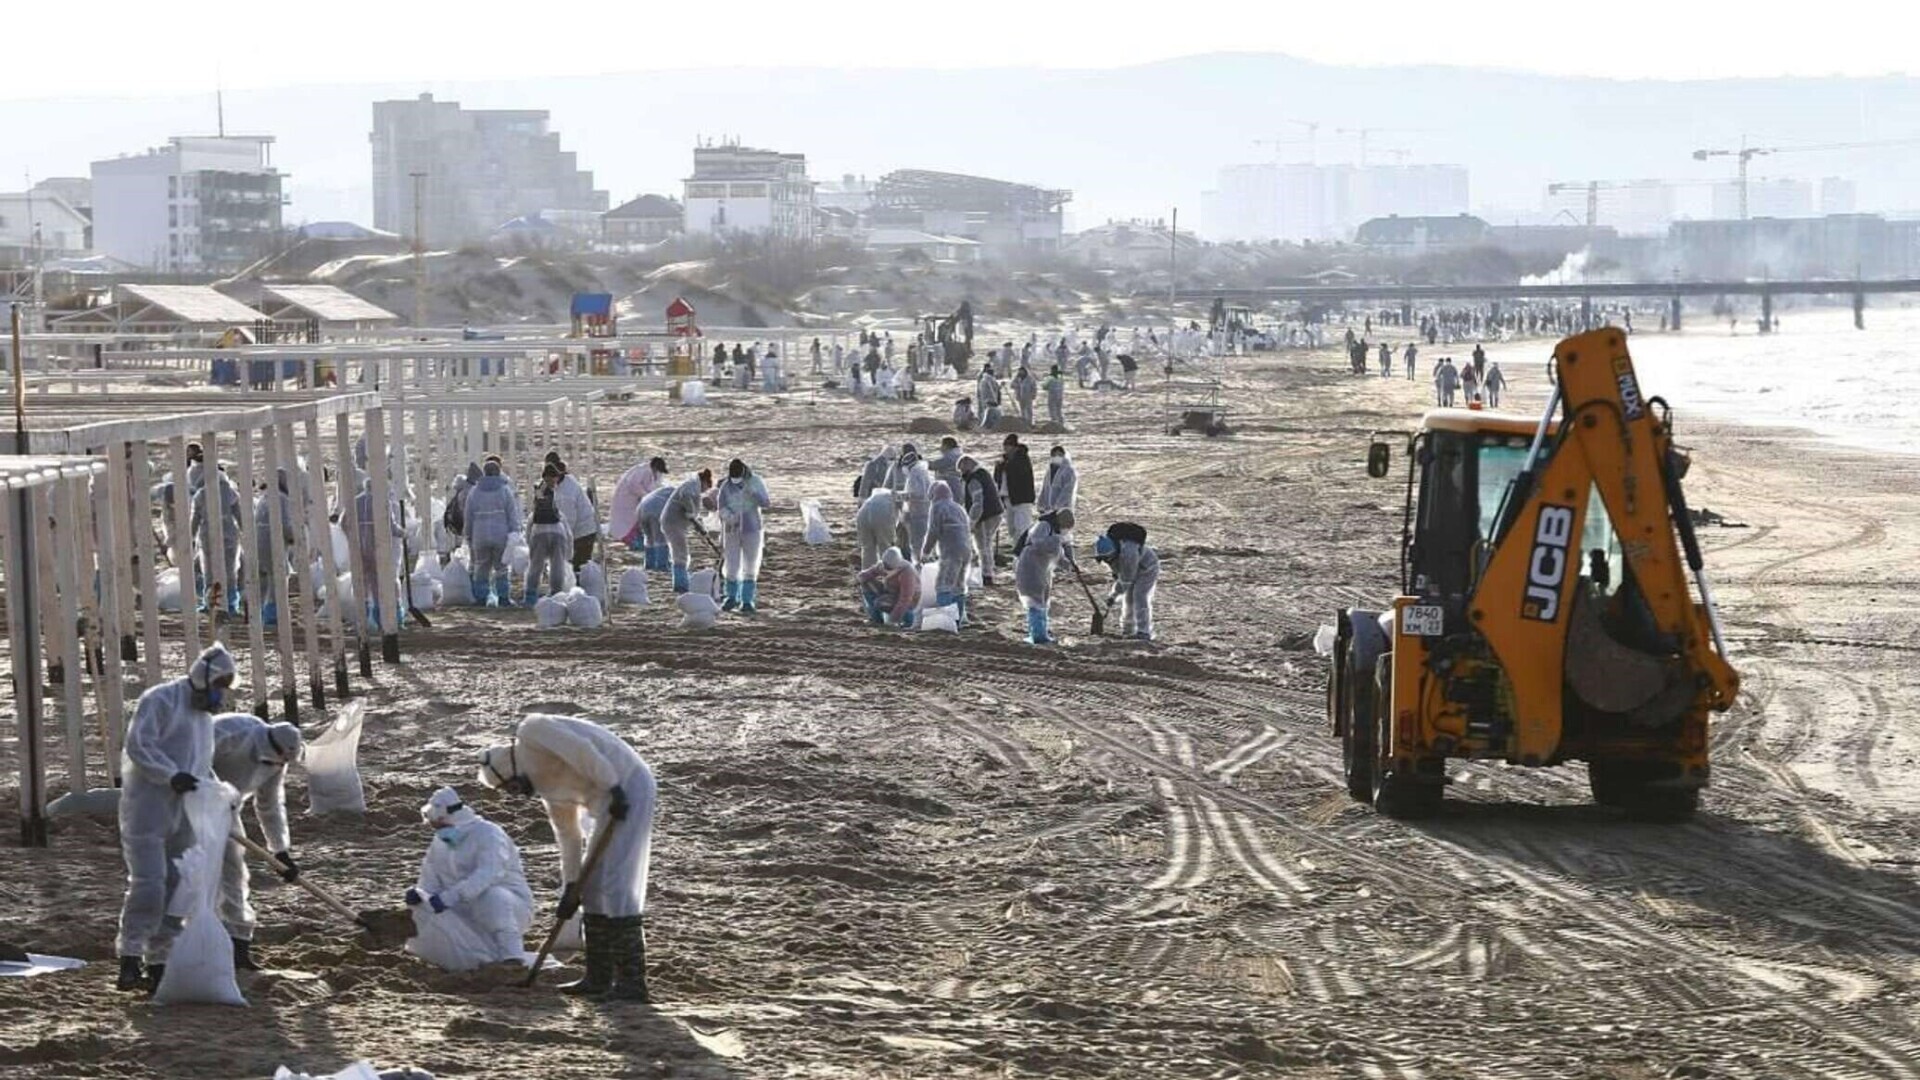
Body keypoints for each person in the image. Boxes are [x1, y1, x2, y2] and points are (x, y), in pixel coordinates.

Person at [477, 715, 656, 1001]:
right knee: (592, 889)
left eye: (511, 786)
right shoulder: (550, 792)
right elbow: (569, 838)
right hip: (609, 802)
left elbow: (582, 750)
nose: (517, 794)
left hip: (627, 787)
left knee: (615, 883)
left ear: (511, 767)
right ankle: (598, 978)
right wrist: (573, 888)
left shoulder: (533, 730)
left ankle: (632, 984)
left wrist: (613, 787)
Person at [116, 643, 233, 992]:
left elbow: (200, 764)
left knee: (176, 886)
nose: (219, 695)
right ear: (203, 677)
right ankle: (131, 955)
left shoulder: (203, 720)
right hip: (148, 808)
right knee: (149, 883)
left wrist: (217, 793)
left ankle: (160, 960)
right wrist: (169, 775)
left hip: (186, 813)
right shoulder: (160, 700)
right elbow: (139, 745)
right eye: (218, 685)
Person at [210, 712, 304, 972]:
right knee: (194, 876)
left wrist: (280, 851)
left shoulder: (278, 763)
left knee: (234, 875)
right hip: (185, 803)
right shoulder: (231, 732)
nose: (278, 765)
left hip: (227, 812)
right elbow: (192, 761)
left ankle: (238, 947)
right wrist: (212, 794)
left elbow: (269, 805)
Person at [404, 786, 535, 969]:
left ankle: (511, 957)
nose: (439, 832)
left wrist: (451, 897)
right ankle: (464, 959)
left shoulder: (489, 834)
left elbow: (488, 874)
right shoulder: (440, 843)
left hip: (509, 908)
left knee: (493, 897)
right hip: (462, 908)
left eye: (442, 826)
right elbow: (430, 878)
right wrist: (421, 895)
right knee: (420, 909)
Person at [715, 458, 770, 614]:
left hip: (752, 529)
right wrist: (729, 517)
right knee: (731, 563)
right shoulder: (726, 486)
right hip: (731, 529)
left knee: (750, 563)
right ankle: (731, 596)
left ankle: (746, 600)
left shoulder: (755, 481)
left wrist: (755, 494)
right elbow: (721, 507)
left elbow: (766, 502)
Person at [464, 460, 521, 606]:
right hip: (500, 534)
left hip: (480, 535)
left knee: (481, 567)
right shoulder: (504, 490)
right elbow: (512, 513)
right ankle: (503, 598)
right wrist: (514, 531)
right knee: (501, 567)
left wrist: (468, 535)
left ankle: (481, 598)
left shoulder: (475, 491)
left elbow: (468, 516)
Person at [1014, 509, 1075, 645]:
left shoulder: (1054, 532)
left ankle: (1042, 632)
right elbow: (1039, 543)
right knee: (1034, 599)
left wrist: (1069, 565)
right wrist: (1057, 540)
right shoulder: (1044, 526)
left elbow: (1058, 555)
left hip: (1043, 569)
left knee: (1043, 599)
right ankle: (1037, 634)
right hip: (1030, 566)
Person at [190, 462, 243, 616]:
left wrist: (191, 538)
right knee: (230, 570)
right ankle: (231, 603)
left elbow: (194, 521)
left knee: (209, 570)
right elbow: (240, 518)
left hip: (207, 537)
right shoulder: (231, 493)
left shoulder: (200, 494)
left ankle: (210, 603)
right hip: (229, 538)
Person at [251, 467, 299, 627]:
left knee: (263, 579)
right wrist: (294, 538)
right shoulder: (282, 499)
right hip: (274, 541)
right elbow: (285, 523)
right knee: (277, 578)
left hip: (258, 541)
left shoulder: (264, 497)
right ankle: (273, 614)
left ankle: (258, 613)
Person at [922, 481, 973, 626]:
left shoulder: (938, 507)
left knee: (943, 585)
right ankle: (957, 619)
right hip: (966, 550)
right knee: (959, 586)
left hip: (951, 551)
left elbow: (933, 531)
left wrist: (925, 552)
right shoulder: (959, 508)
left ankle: (945, 620)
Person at [1097, 528, 1160, 641]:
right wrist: (1114, 594)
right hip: (1133, 569)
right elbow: (1121, 577)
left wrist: (1113, 596)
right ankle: (1128, 629)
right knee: (1128, 599)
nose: (1106, 562)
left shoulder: (1128, 553)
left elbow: (1125, 580)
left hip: (1147, 568)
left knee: (1139, 596)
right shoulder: (1114, 552)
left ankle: (1144, 631)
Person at [524, 464, 574, 604]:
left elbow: (530, 525)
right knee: (557, 565)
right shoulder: (559, 494)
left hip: (539, 532)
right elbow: (568, 531)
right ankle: (556, 593)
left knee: (536, 566)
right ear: (555, 477)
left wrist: (529, 545)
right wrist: (569, 553)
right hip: (558, 532)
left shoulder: (538, 491)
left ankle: (530, 595)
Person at [661, 469, 714, 595]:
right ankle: (681, 584)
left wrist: (701, 528)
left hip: (676, 523)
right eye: (706, 487)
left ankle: (682, 580)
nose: (705, 491)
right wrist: (690, 512)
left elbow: (693, 515)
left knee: (680, 552)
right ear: (704, 482)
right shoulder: (691, 486)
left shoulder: (693, 487)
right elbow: (686, 498)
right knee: (680, 553)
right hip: (672, 523)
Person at [545, 454, 599, 573]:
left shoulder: (565, 494)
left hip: (583, 533)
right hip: (584, 529)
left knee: (577, 569)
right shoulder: (567, 480)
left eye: (549, 480)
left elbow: (568, 523)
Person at [960, 456, 1003, 588]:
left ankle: (987, 576)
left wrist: (972, 522)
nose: (961, 473)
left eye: (961, 470)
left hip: (986, 516)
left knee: (982, 546)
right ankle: (988, 572)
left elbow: (978, 504)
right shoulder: (983, 473)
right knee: (986, 545)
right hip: (995, 513)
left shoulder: (974, 480)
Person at [608, 457, 668, 550]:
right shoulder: (642, 471)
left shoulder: (652, 473)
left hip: (637, 502)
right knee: (627, 523)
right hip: (627, 501)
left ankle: (639, 541)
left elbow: (654, 486)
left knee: (638, 522)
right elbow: (633, 485)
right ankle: (633, 542)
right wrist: (647, 495)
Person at [857, 546, 920, 628]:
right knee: (866, 583)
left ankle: (908, 622)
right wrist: (861, 577)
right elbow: (868, 573)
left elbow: (906, 598)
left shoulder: (907, 572)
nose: (886, 570)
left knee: (881, 603)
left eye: (889, 568)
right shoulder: (882, 565)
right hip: (891, 592)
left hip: (909, 600)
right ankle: (876, 619)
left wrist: (893, 620)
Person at [995, 434, 1037, 548]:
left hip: (1021, 499)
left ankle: (1026, 550)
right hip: (1007, 499)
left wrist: (1004, 465)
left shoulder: (1022, 459)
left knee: (1022, 528)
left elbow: (1018, 472)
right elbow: (997, 479)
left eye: (1008, 446)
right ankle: (1017, 550)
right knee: (1012, 529)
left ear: (1014, 447)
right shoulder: (1003, 461)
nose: (1006, 449)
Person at [855, 487, 906, 573]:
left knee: (867, 549)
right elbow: (906, 519)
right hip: (882, 513)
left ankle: (867, 577)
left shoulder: (882, 494)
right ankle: (888, 576)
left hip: (862, 513)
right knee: (886, 548)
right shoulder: (903, 498)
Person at [896, 445, 935, 558]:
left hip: (918, 513)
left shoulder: (914, 474)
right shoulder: (923, 472)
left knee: (917, 545)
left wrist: (899, 496)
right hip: (924, 512)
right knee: (923, 542)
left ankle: (919, 568)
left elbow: (917, 494)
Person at [636, 483, 674, 574]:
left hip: (641, 508)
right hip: (656, 510)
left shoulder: (666, 490)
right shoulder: (680, 496)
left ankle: (649, 564)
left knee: (649, 538)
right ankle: (662, 565)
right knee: (660, 538)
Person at [1038, 445, 1079, 519]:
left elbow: (1067, 491)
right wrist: (1041, 504)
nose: (1057, 457)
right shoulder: (1050, 470)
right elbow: (1045, 489)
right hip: (1048, 510)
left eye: (1059, 455)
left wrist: (1057, 506)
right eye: (1054, 455)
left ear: (1064, 456)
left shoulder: (1068, 471)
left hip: (1062, 510)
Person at [931, 437, 965, 501]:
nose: (940, 448)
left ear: (946, 446)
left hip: (951, 488)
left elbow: (934, 465)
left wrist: (920, 462)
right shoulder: (958, 455)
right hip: (958, 488)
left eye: (942, 445)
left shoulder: (951, 457)